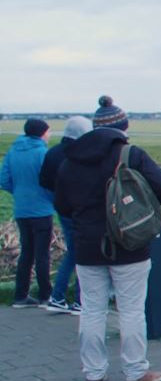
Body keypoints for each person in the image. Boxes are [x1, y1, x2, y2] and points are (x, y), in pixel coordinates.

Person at [54, 96, 161, 381]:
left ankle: (93, 372)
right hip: (130, 245)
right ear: (124, 125)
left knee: (92, 309)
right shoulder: (130, 155)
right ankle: (135, 372)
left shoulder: (71, 159)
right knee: (131, 309)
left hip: (86, 247)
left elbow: (62, 205)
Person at [39, 115, 93, 314]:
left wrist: (57, 200)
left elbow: (44, 181)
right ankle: (79, 300)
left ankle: (58, 297)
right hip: (81, 211)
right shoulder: (80, 153)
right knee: (83, 254)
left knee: (73, 251)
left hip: (62, 210)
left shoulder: (52, 152)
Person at [1, 118, 53, 308]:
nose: (49, 135)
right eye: (48, 131)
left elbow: (3, 179)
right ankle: (46, 296)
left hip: (22, 210)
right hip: (42, 210)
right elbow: (51, 182)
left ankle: (20, 296)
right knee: (43, 254)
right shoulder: (42, 153)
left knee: (26, 252)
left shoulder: (13, 151)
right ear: (40, 133)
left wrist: (20, 193)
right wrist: (48, 198)